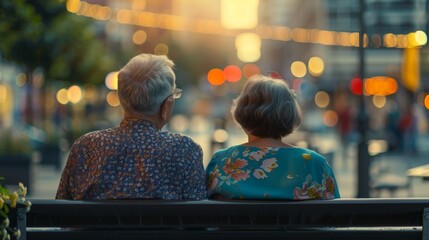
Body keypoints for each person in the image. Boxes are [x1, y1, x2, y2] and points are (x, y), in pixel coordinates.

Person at [56, 53, 207, 200]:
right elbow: (198, 219)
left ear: (122, 99)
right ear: (166, 105)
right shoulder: (186, 150)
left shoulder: (86, 146)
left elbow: (61, 209)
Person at [205, 75, 340, 200]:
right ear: (290, 114)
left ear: (242, 113)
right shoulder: (315, 164)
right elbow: (335, 216)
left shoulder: (221, 162)